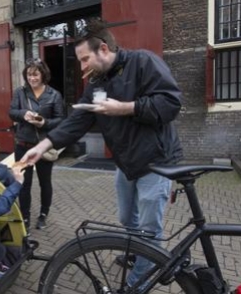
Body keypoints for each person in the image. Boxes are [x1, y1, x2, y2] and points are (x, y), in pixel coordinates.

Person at [20, 20, 183, 288]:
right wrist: (41, 147)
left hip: (156, 163)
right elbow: (77, 120)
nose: (82, 67)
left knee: (149, 229)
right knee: (125, 219)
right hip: (126, 163)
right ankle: (137, 254)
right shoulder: (97, 84)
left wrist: (127, 107)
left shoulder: (143, 62)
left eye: (85, 59)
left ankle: (136, 283)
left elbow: (171, 103)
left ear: (104, 49)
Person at [8, 58, 65, 232]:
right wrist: (23, 114)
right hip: (23, 144)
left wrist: (44, 123)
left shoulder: (54, 95)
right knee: (23, 182)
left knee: (45, 182)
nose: (32, 78)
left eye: (36, 74)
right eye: (29, 74)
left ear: (43, 74)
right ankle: (25, 216)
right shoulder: (20, 92)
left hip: (43, 146)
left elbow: (60, 120)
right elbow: (11, 112)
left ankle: (43, 215)